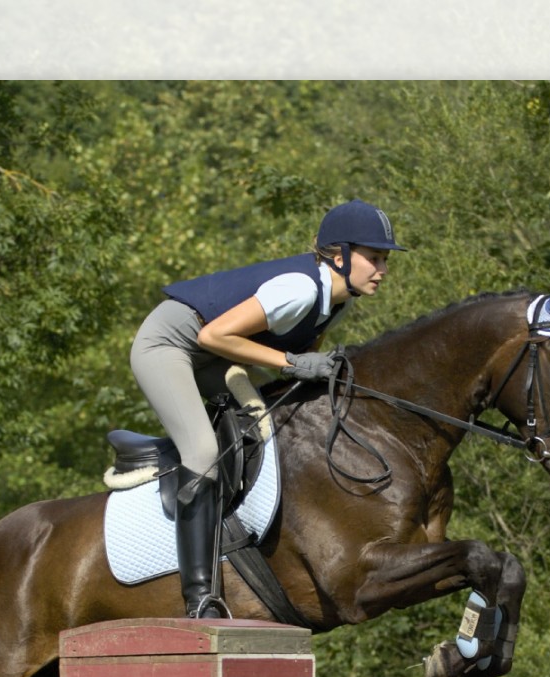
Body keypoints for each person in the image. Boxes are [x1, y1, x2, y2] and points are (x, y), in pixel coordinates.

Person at [129, 199, 408, 619]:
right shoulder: (300, 288)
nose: (383, 270)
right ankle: (200, 597)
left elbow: (296, 351)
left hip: (214, 355)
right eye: (374, 258)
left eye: (384, 259)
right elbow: (212, 335)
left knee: (272, 422)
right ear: (340, 256)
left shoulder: (339, 298)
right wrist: (294, 364)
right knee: (203, 453)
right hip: (169, 345)